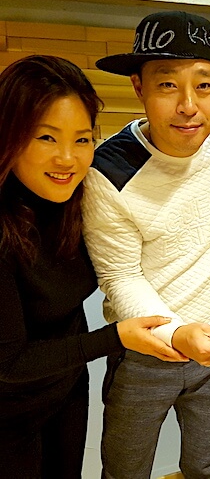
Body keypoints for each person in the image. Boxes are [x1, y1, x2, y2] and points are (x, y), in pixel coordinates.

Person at [82, 11, 210, 478]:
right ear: (139, 87)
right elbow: (120, 276)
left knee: (208, 470)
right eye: (168, 85)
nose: (189, 106)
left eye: (204, 85)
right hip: (143, 354)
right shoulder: (108, 171)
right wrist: (175, 334)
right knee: (125, 470)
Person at [0, 55, 176, 479]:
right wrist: (116, 337)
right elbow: (9, 363)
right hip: (7, 413)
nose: (67, 159)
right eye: (47, 137)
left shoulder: (78, 200)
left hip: (66, 393)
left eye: (82, 139)